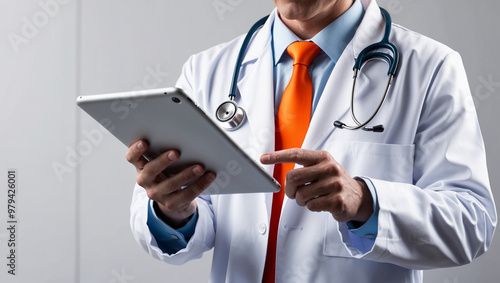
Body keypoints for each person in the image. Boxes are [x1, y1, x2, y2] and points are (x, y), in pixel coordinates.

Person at [127, 0, 497, 282]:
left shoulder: (430, 67)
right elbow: (196, 223)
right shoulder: (207, 71)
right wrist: (173, 209)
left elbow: (472, 224)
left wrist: (365, 201)